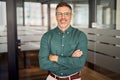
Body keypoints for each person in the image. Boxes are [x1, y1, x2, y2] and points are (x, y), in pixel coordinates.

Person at [39, 2, 88, 80]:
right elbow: (43, 64)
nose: (63, 17)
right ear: (56, 16)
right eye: (59, 14)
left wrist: (56, 58)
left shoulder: (80, 36)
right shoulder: (47, 36)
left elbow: (80, 63)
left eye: (66, 14)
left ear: (71, 16)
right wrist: (70, 60)